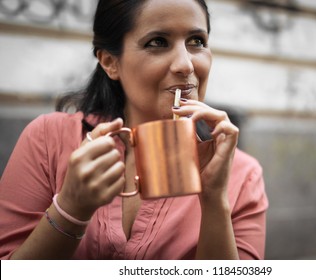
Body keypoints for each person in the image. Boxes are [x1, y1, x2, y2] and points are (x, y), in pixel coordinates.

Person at [0, 0, 268, 260]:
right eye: (158, 42)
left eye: (196, 41)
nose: (186, 65)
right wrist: (71, 208)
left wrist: (213, 200)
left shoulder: (241, 175)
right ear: (110, 62)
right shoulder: (49, 139)